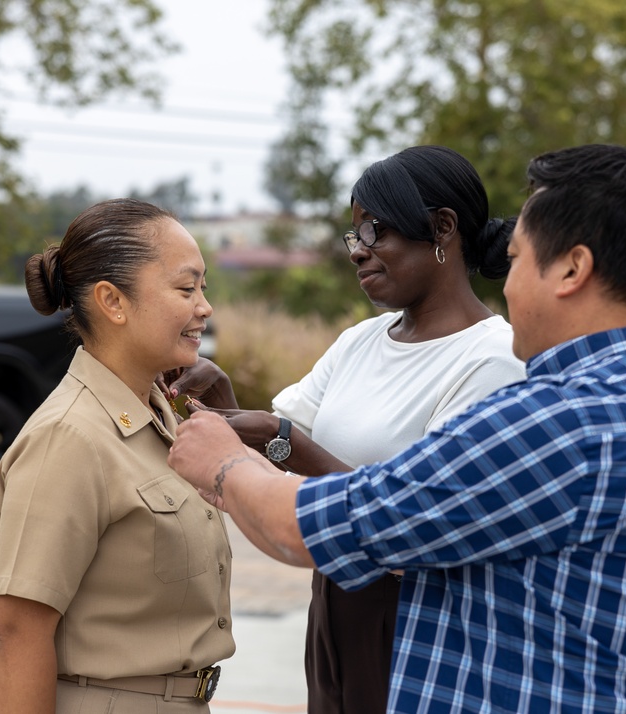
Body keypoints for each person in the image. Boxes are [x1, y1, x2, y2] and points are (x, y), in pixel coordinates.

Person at [166, 144, 626, 713]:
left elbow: (326, 527)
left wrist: (227, 464)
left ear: (572, 268)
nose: (508, 284)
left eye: (516, 259)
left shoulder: (556, 422)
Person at [164, 145, 526, 713]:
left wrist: (282, 435)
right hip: (334, 605)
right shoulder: (362, 342)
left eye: (373, 232)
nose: (357, 252)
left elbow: (417, 521)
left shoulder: (492, 360)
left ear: (442, 228)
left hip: (418, 621)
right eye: (352, 236)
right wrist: (226, 407)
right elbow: (280, 450)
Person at [0, 198, 233, 714]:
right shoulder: (68, 437)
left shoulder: (162, 416)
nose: (204, 307)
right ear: (112, 302)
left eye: (202, 289)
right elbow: (17, 631)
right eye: (186, 289)